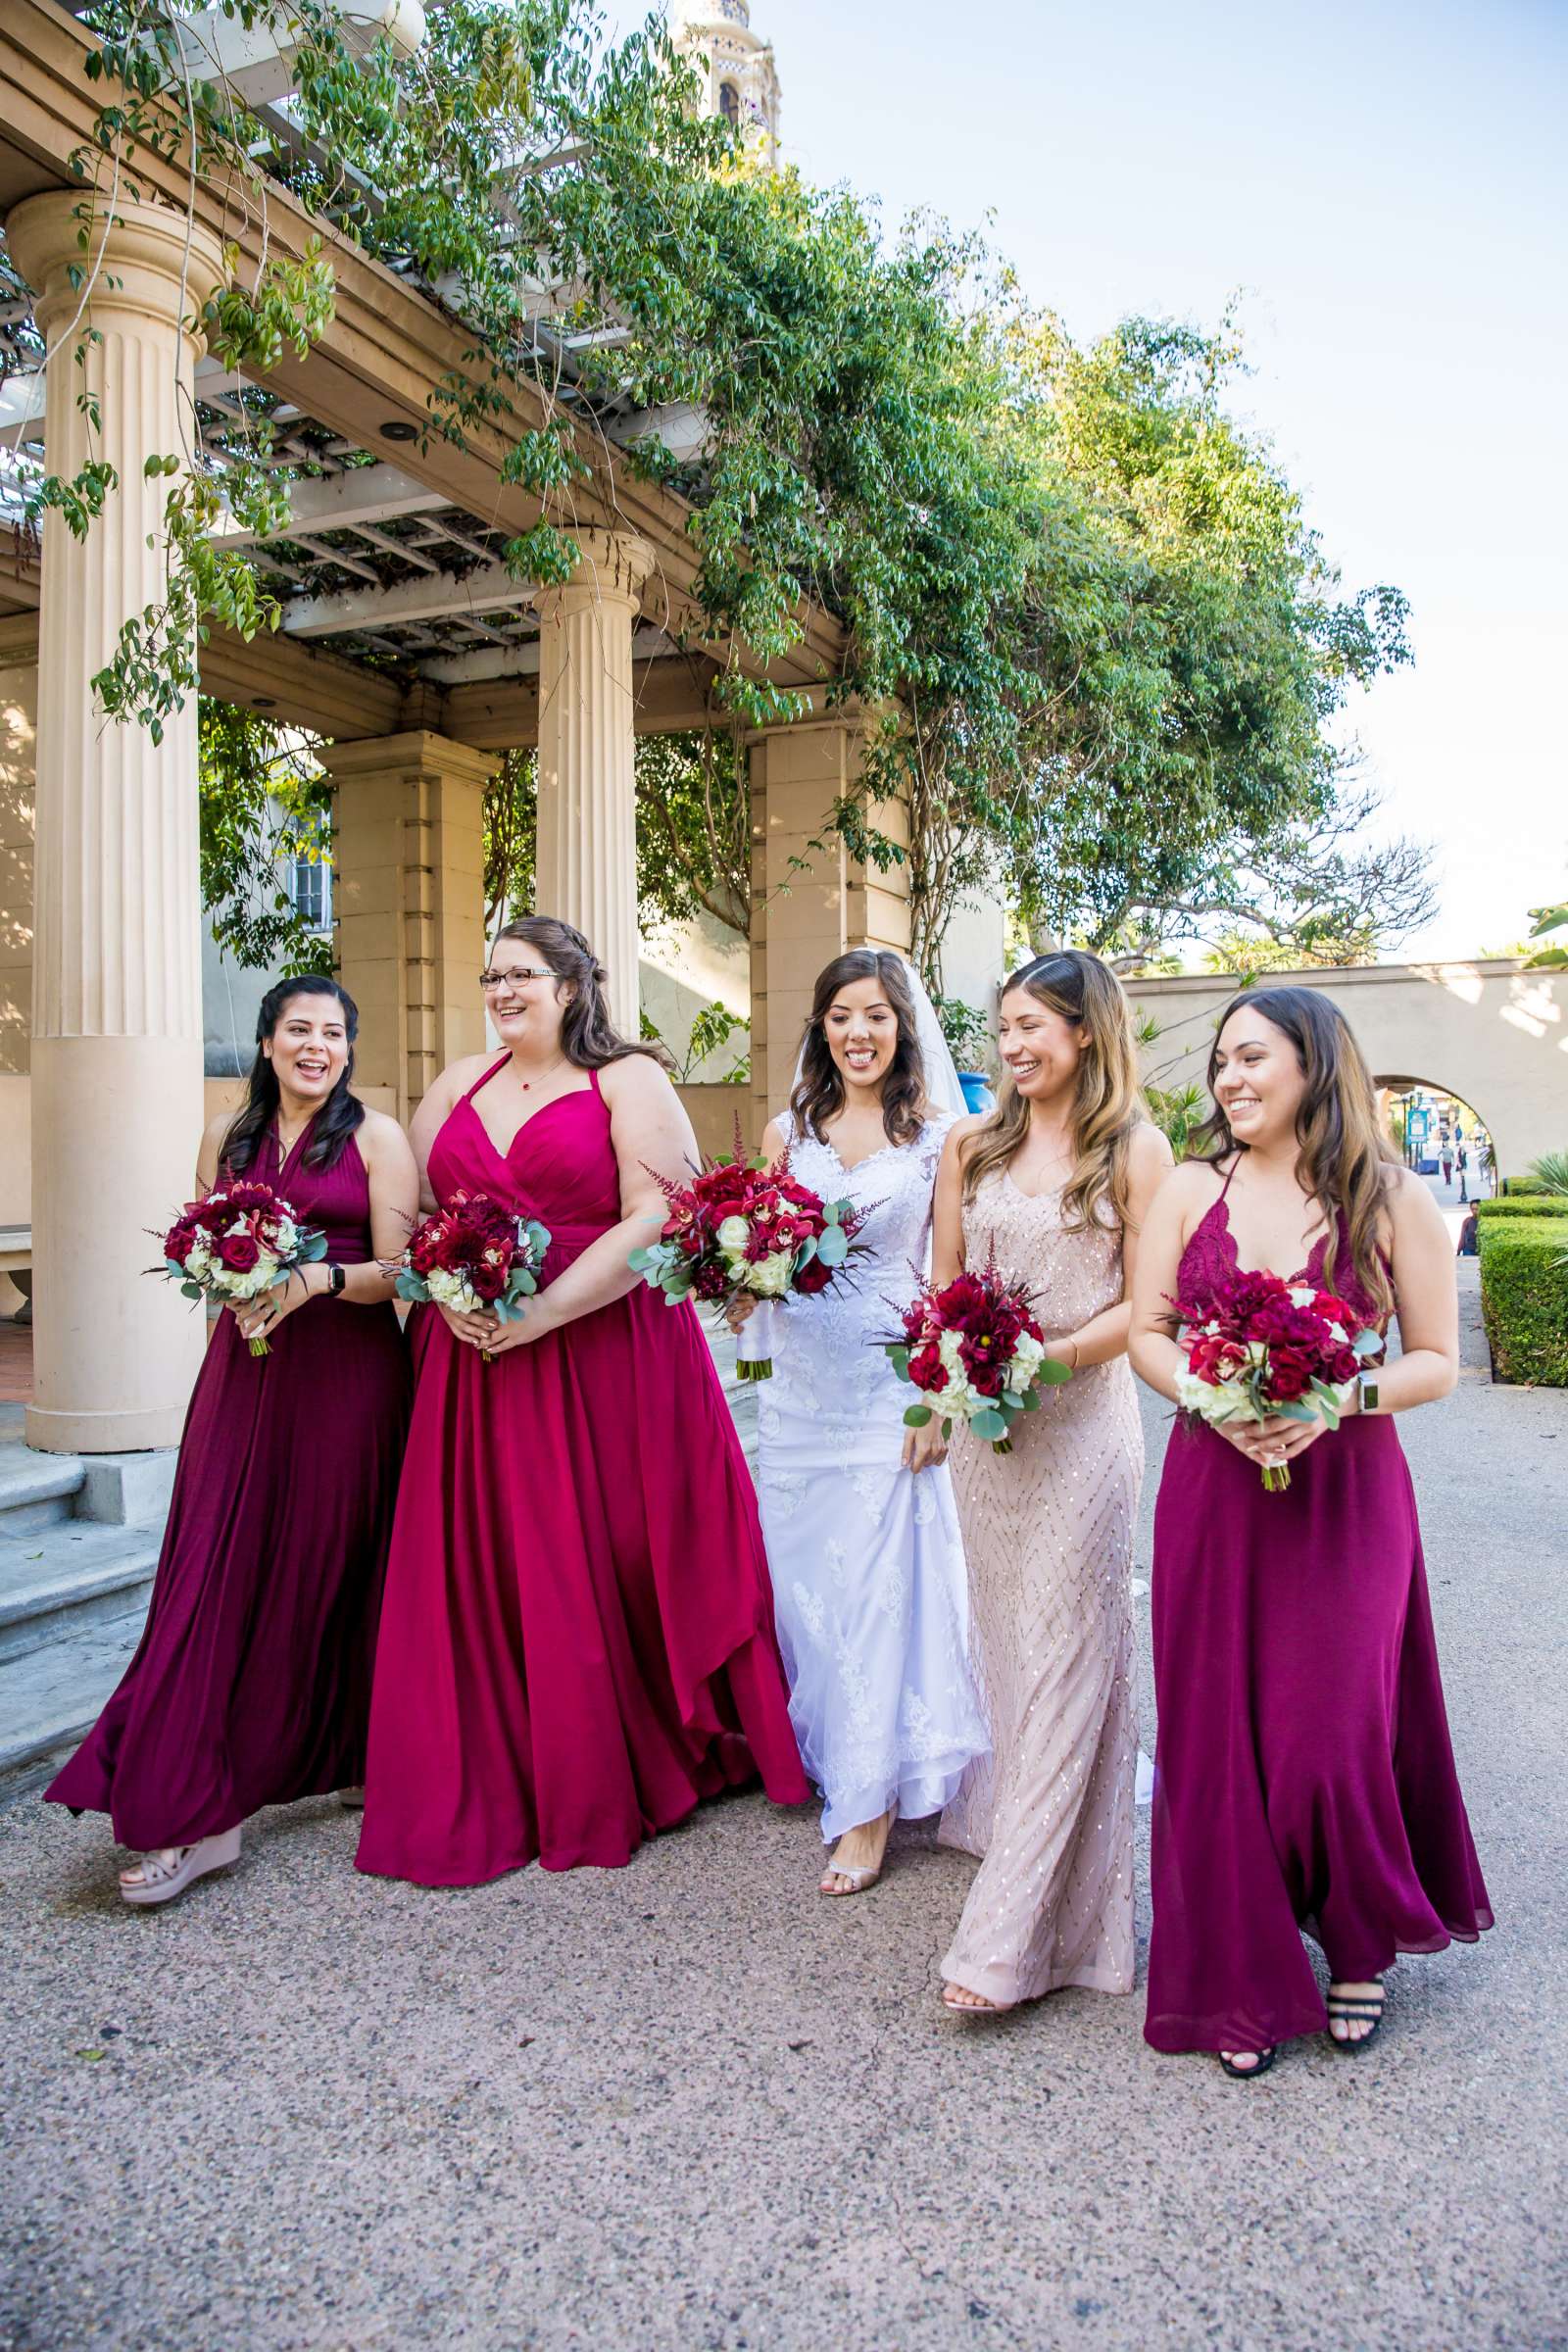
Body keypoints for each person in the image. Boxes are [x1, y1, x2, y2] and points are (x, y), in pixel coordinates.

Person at [356, 915, 808, 1886]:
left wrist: (548, 1312)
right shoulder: (456, 1085)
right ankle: (514, 1746)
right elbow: (419, 1218)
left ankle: (635, 1734)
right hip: (477, 1352)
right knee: (502, 1551)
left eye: (521, 974)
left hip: (604, 1343)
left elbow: (659, 1212)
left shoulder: (627, 1079)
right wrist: (448, 1289)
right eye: (491, 975)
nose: (501, 990)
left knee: (612, 1542)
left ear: (570, 986)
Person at [1128, 987, 1492, 2078]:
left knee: (1328, 1734)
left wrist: (1335, 1403)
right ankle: (1238, 1968)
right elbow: (1148, 1329)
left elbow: (1434, 1359)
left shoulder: (1389, 1195)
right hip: (1212, 1483)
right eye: (1221, 1064)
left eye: (1253, 1058)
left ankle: (1355, 1935)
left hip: (1346, 1496)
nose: (1230, 1080)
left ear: (1314, 1065)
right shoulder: (1191, 1187)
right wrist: (1212, 1401)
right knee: (1217, 1740)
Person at [48, 978, 416, 1904]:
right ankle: (196, 1812)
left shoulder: (377, 1138)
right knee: (215, 1576)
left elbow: (399, 1267)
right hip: (244, 1377)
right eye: (298, 1029)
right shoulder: (227, 1137)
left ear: (348, 1050)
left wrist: (316, 1282)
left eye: (333, 1032)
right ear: (265, 1042)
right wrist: (224, 1274)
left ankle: (348, 1750)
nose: (315, 1046)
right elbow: (203, 1243)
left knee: (336, 1566)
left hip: (350, 1380)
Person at [929, 951, 1173, 2014]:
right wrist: (956, 1373)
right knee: (1012, 1654)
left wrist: (1051, 1358)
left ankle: (1012, 1939)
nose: (1015, 1047)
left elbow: (1150, 1306)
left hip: (1082, 1436)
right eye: (1006, 1028)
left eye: (1036, 1027)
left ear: (1086, 1032)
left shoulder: (1135, 1150)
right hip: (989, 1444)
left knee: (1073, 1656)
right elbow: (941, 1283)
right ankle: (1032, 1859)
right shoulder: (969, 1143)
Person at [731, 950, 988, 1898]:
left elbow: (948, 1276)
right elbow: (756, 1271)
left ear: (902, 1026)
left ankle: (869, 1805)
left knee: (880, 1589)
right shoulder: (783, 1131)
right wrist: (745, 1335)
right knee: (811, 1591)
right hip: (799, 1396)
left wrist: (935, 1398)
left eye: (876, 1015)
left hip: (888, 1389)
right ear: (820, 1026)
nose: (858, 1033)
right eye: (841, 1014)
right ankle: (842, 1752)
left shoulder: (936, 1142)